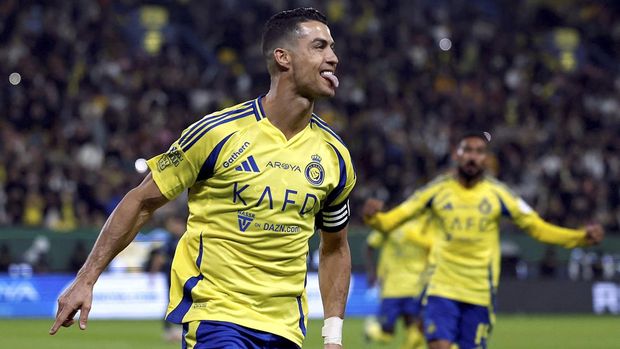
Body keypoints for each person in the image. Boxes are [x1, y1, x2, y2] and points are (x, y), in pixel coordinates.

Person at [49, 8, 356, 349]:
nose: (333, 57)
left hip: (286, 329)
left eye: (331, 47)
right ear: (283, 57)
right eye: (319, 46)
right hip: (217, 317)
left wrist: (333, 337)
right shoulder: (217, 133)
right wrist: (85, 279)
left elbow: (335, 248)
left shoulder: (335, 156)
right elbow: (140, 202)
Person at [362, 131, 604, 349]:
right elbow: (393, 220)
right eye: (467, 150)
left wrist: (579, 238)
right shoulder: (436, 191)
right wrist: (374, 219)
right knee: (438, 345)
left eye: (479, 152)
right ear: (457, 155)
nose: (473, 157)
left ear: (486, 159)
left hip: (480, 293)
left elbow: (538, 229)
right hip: (441, 287)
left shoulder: (499, 195)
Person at [364, 213, 436, 349]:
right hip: (391, 287)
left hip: (415, 286)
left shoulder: (427, 227)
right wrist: (371, 272)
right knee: (387, 334)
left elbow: (434, 252)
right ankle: (372, 330)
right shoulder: (392, 224)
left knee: (415, 329)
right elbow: (370, 245)